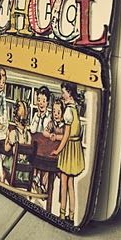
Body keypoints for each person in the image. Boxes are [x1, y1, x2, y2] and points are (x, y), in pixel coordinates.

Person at [51, 82, 85, 224]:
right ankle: (72, 215)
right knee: (70, 183)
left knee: (64, 183)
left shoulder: (68, 112)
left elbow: (66, 135)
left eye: (63, 92)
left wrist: (58, 150)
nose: (62, 94)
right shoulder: (75, 108)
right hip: (75, 147)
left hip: (69, 148)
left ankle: (62, 214)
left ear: (69, 93)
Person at [2, 100, 32, 184]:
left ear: (15, 120)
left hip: (14, 165)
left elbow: (6, 149)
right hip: (25, 167)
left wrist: (7, 138)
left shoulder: (13, 133)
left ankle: (4, 181)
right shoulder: (28, 135)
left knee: (4, 163)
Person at [30, 86, 51, 192]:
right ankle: (35, 178)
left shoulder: (49, 117)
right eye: (39, 100)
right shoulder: (35, 116)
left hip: (44, 148)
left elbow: (45, 133)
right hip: (35, 147)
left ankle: (40, 180)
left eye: (43, 101)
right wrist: (37, 117)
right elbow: (33, 130)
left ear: (47, 103)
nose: (41, 103)